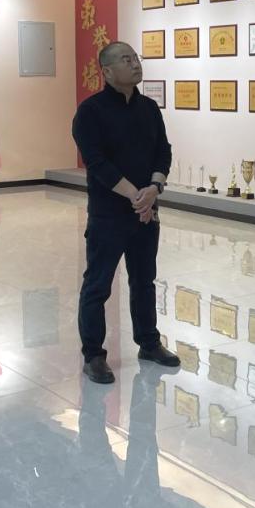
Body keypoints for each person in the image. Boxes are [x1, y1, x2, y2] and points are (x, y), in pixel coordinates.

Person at [71, 41, 180, 384]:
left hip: (146, 212)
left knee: (144, 281)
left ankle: (149, 342)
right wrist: (136, 195)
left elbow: (163, 151)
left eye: (136, 58)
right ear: (106, 71)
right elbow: (97, 162)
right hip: (108, 215)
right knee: (98, 285)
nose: (135, 64)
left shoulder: (149, 108)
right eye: (126, 59)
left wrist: (154, 187)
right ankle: (93, 355)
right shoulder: (90, 112)